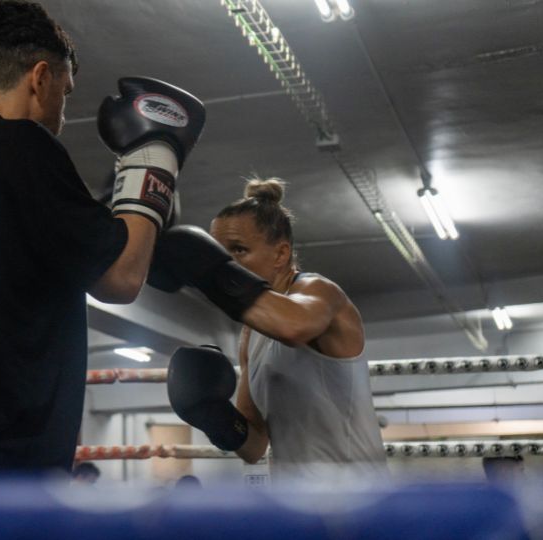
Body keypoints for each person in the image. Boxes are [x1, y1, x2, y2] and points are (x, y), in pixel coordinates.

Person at [0, 0, 205, 475]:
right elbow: (122, 277)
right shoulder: (22, 146)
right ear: (40, 76)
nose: (62, 115)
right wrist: (156, 157)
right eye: (64, 93)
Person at [159, 177, 387, 477]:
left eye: (238, 250)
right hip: (292, 502)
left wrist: (212, 273)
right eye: (218, 252)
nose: (226, 262)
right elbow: (254, 447)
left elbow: (294, 326)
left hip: (356, 499)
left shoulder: (320, 291)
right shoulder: (251, 335)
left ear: (280, 254)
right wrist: (213, 415)